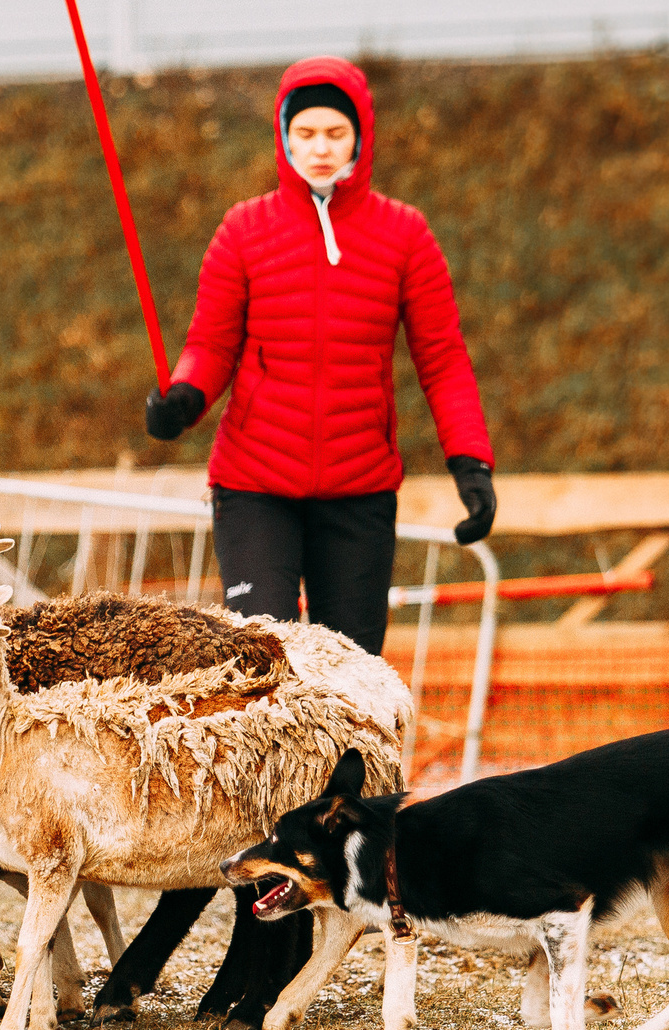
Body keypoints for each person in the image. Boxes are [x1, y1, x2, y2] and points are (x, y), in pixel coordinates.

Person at [144, 56, 496, 655]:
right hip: (254, 487)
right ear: (284, 136)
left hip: (359, 490)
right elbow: (209, 347)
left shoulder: (405, 235)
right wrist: (183, 399)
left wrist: (471, 464)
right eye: (305, 133)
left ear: (361, 134)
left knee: (350, 681)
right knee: (262, 664)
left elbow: (443, 361)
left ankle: (349, 757)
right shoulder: (243, 230)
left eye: (336, 133)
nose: (321, 149)